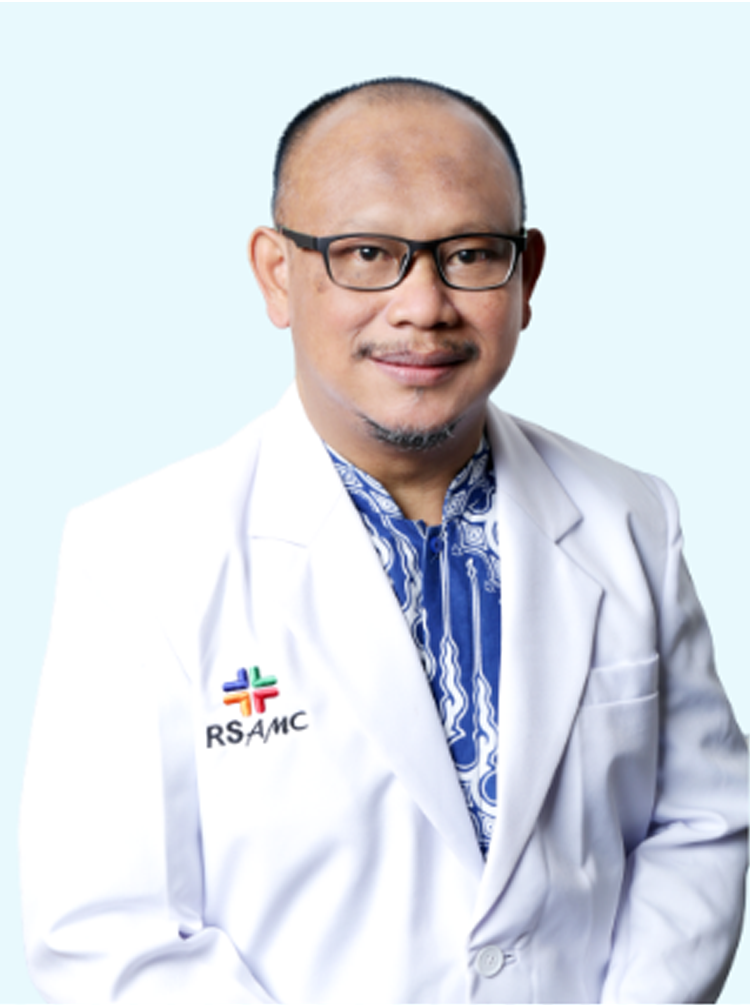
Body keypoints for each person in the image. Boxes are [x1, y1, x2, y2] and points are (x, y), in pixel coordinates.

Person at [21, 77, 748, 1004]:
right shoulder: (139, 554)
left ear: (525, 275)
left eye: (470, 254)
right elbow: (107, 934)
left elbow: (701, 820)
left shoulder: (629, 515)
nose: (423, 306)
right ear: (277, 273)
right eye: (368, 254)